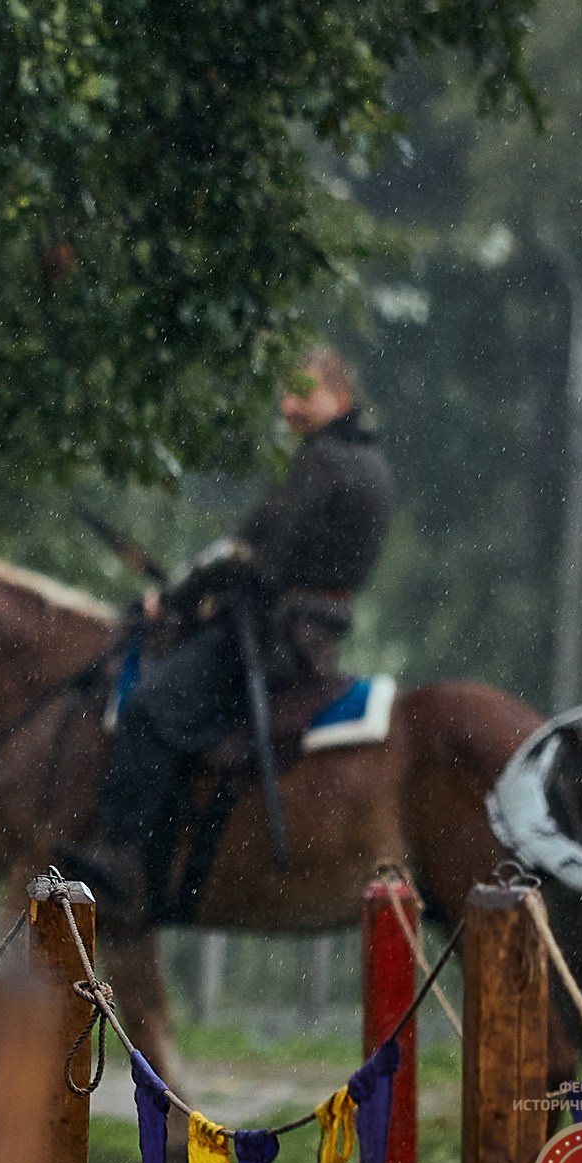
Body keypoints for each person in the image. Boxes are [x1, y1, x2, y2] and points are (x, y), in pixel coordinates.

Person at [73, 347, 394, 920]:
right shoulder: (367, 462)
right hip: (309, 635)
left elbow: (250, 555)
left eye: (304, 392)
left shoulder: (322, 460)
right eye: (285, 393)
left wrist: (174, 598)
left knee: (148, 707)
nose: (289, 405)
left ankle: (123, 858)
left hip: (270, 639)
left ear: (340, 398)